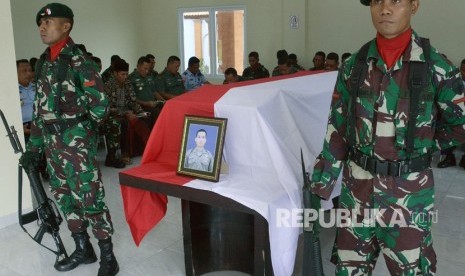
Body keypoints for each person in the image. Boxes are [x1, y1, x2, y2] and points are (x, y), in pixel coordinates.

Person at [308, 0, 465, 275]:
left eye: (396, 1)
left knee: (412, 271)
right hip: (357, 195)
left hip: (408, 198)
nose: (385, 9)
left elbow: (460, 123)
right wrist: (321, 185)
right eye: (378, 1)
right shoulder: (353, 66)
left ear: (414, 6)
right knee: (349, 270)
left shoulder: (437, 67)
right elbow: (338, 128)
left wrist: (422, 146)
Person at [21, 3, 119, 275]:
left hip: (75, 147)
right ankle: (82, 248)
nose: (42, 27)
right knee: (65, 197)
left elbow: (100, 106)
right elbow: (41, 111)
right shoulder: (42, 63)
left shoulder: (80, 62)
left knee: (90, 199)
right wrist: (34, 148)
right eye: (40, 23)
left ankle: (108, 256)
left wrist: (80, 136)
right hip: (53, 149)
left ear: (66, 27)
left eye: (48, 23)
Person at [102, 59, 151, 166]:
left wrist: (141, 112)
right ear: (115, 73)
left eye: (126, 74)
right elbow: (107, 107)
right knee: (124, 123)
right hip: (111, 115)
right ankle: (121, 154)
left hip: (126, 112)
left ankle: (143, 150)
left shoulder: (127, 83)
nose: (125, 77)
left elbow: (132, 101)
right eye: (122, 74)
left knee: (144, 119)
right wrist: (124, 113)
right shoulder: (108, 86)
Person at [17, 59, 49, 180]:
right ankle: (32, 176)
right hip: (24, 127)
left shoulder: (37, 87)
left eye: (30, 70)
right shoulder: (11, 90)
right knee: (30, 155)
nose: (29, 73)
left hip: (40, 124)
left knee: (46, 151)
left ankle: (46, 171)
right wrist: (21, 129)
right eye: (24, 71)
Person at [436, 58, 465, 169]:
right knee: (443, 125)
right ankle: (449, 157)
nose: (464, 73)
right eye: (462, 70)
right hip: (451, 116)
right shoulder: (452, 83)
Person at [129, 55, 163, 128]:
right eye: (145, 68)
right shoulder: (131, 78)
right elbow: (131, 99)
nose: (147, 71)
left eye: (148, 69)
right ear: (138, 66)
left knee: (166, 109)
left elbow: (155, 92)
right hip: (141, 106)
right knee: (157, 113)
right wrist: (146, 103)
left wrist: (164, 101)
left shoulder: (149, 77)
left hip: (152, 104)